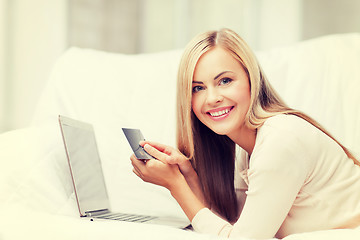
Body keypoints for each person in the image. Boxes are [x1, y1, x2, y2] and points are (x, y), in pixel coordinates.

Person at [130, 28, 360, 239]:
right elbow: (232, 227)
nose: (212, 98)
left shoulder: (279, 139)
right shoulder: (246, 148)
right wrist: (187, 175)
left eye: (225, 81)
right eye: (197, 88)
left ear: (252, 80)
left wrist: (176, 187)